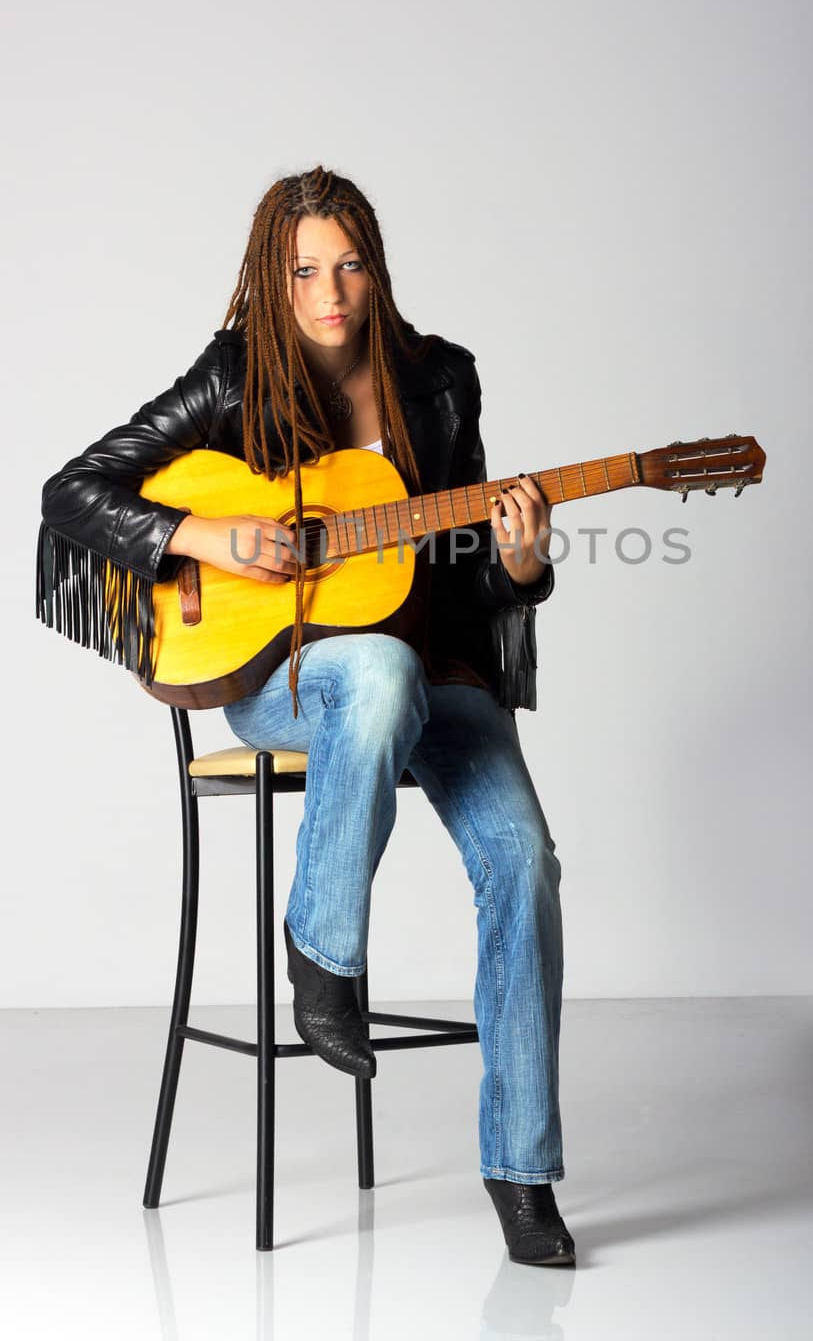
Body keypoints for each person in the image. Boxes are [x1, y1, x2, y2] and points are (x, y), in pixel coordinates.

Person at [36, 165, 574, 1267]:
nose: (329, 292)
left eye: (348, 265)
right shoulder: (233, 377)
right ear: (269, 281)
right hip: (295, 682)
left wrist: (518, 564)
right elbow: (73, 490)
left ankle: (522, 1173)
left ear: (376, 265)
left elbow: (468, 571)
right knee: (370, 669)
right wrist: (210, 537)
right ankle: (322, 948)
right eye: (303, 271)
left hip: (441, 677)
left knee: (522, 861)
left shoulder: (441, 381)